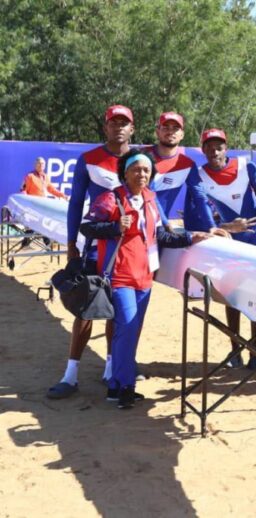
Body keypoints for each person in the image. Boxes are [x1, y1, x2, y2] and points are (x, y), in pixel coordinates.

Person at [80, 149, 212, 408]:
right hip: (120, 275)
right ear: (125, 173)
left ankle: (116, 385)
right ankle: (126, 386)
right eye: (136, 169)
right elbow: (87, 226)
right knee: (127, 328)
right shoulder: (111, 198)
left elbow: (160, 236)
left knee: (131, 331)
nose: (142, 174)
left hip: (145, 276)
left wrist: (190, 237)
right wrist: (115, 227)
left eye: (146, 170)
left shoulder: (151, 199)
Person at [47, 104, 134, 399]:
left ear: (132, 128)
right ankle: (70, 375)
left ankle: (111, 369)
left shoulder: (140, 161)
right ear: (105, 127)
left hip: (129, 252)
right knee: (85, 306)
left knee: (117, 310)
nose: (118, 127)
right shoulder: (89, 159)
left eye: (124, 122)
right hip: (96, 247)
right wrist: (72, 243)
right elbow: (76, 203)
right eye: (113, 122)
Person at [188, 128, 256, 369]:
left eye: (219, 147)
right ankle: (235, 350)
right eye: (209, 147)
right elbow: (198, 212)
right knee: (232, 295)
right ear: (203, 150)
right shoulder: (199, 175)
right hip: (228, 240)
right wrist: (225, 227)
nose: (215, 151)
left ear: (227, 148)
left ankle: (255, 352)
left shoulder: (247, 167)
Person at [148, 111, 211, 230]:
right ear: (157, 132)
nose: (170, 132)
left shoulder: (188, 164)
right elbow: (148, 194)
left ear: (182, 134)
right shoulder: (142, 157)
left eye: (175, 128)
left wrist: (211, 226)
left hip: (160, 228)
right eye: (166, 127)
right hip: (135, 226)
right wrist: (166, 223)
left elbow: (199, 197)